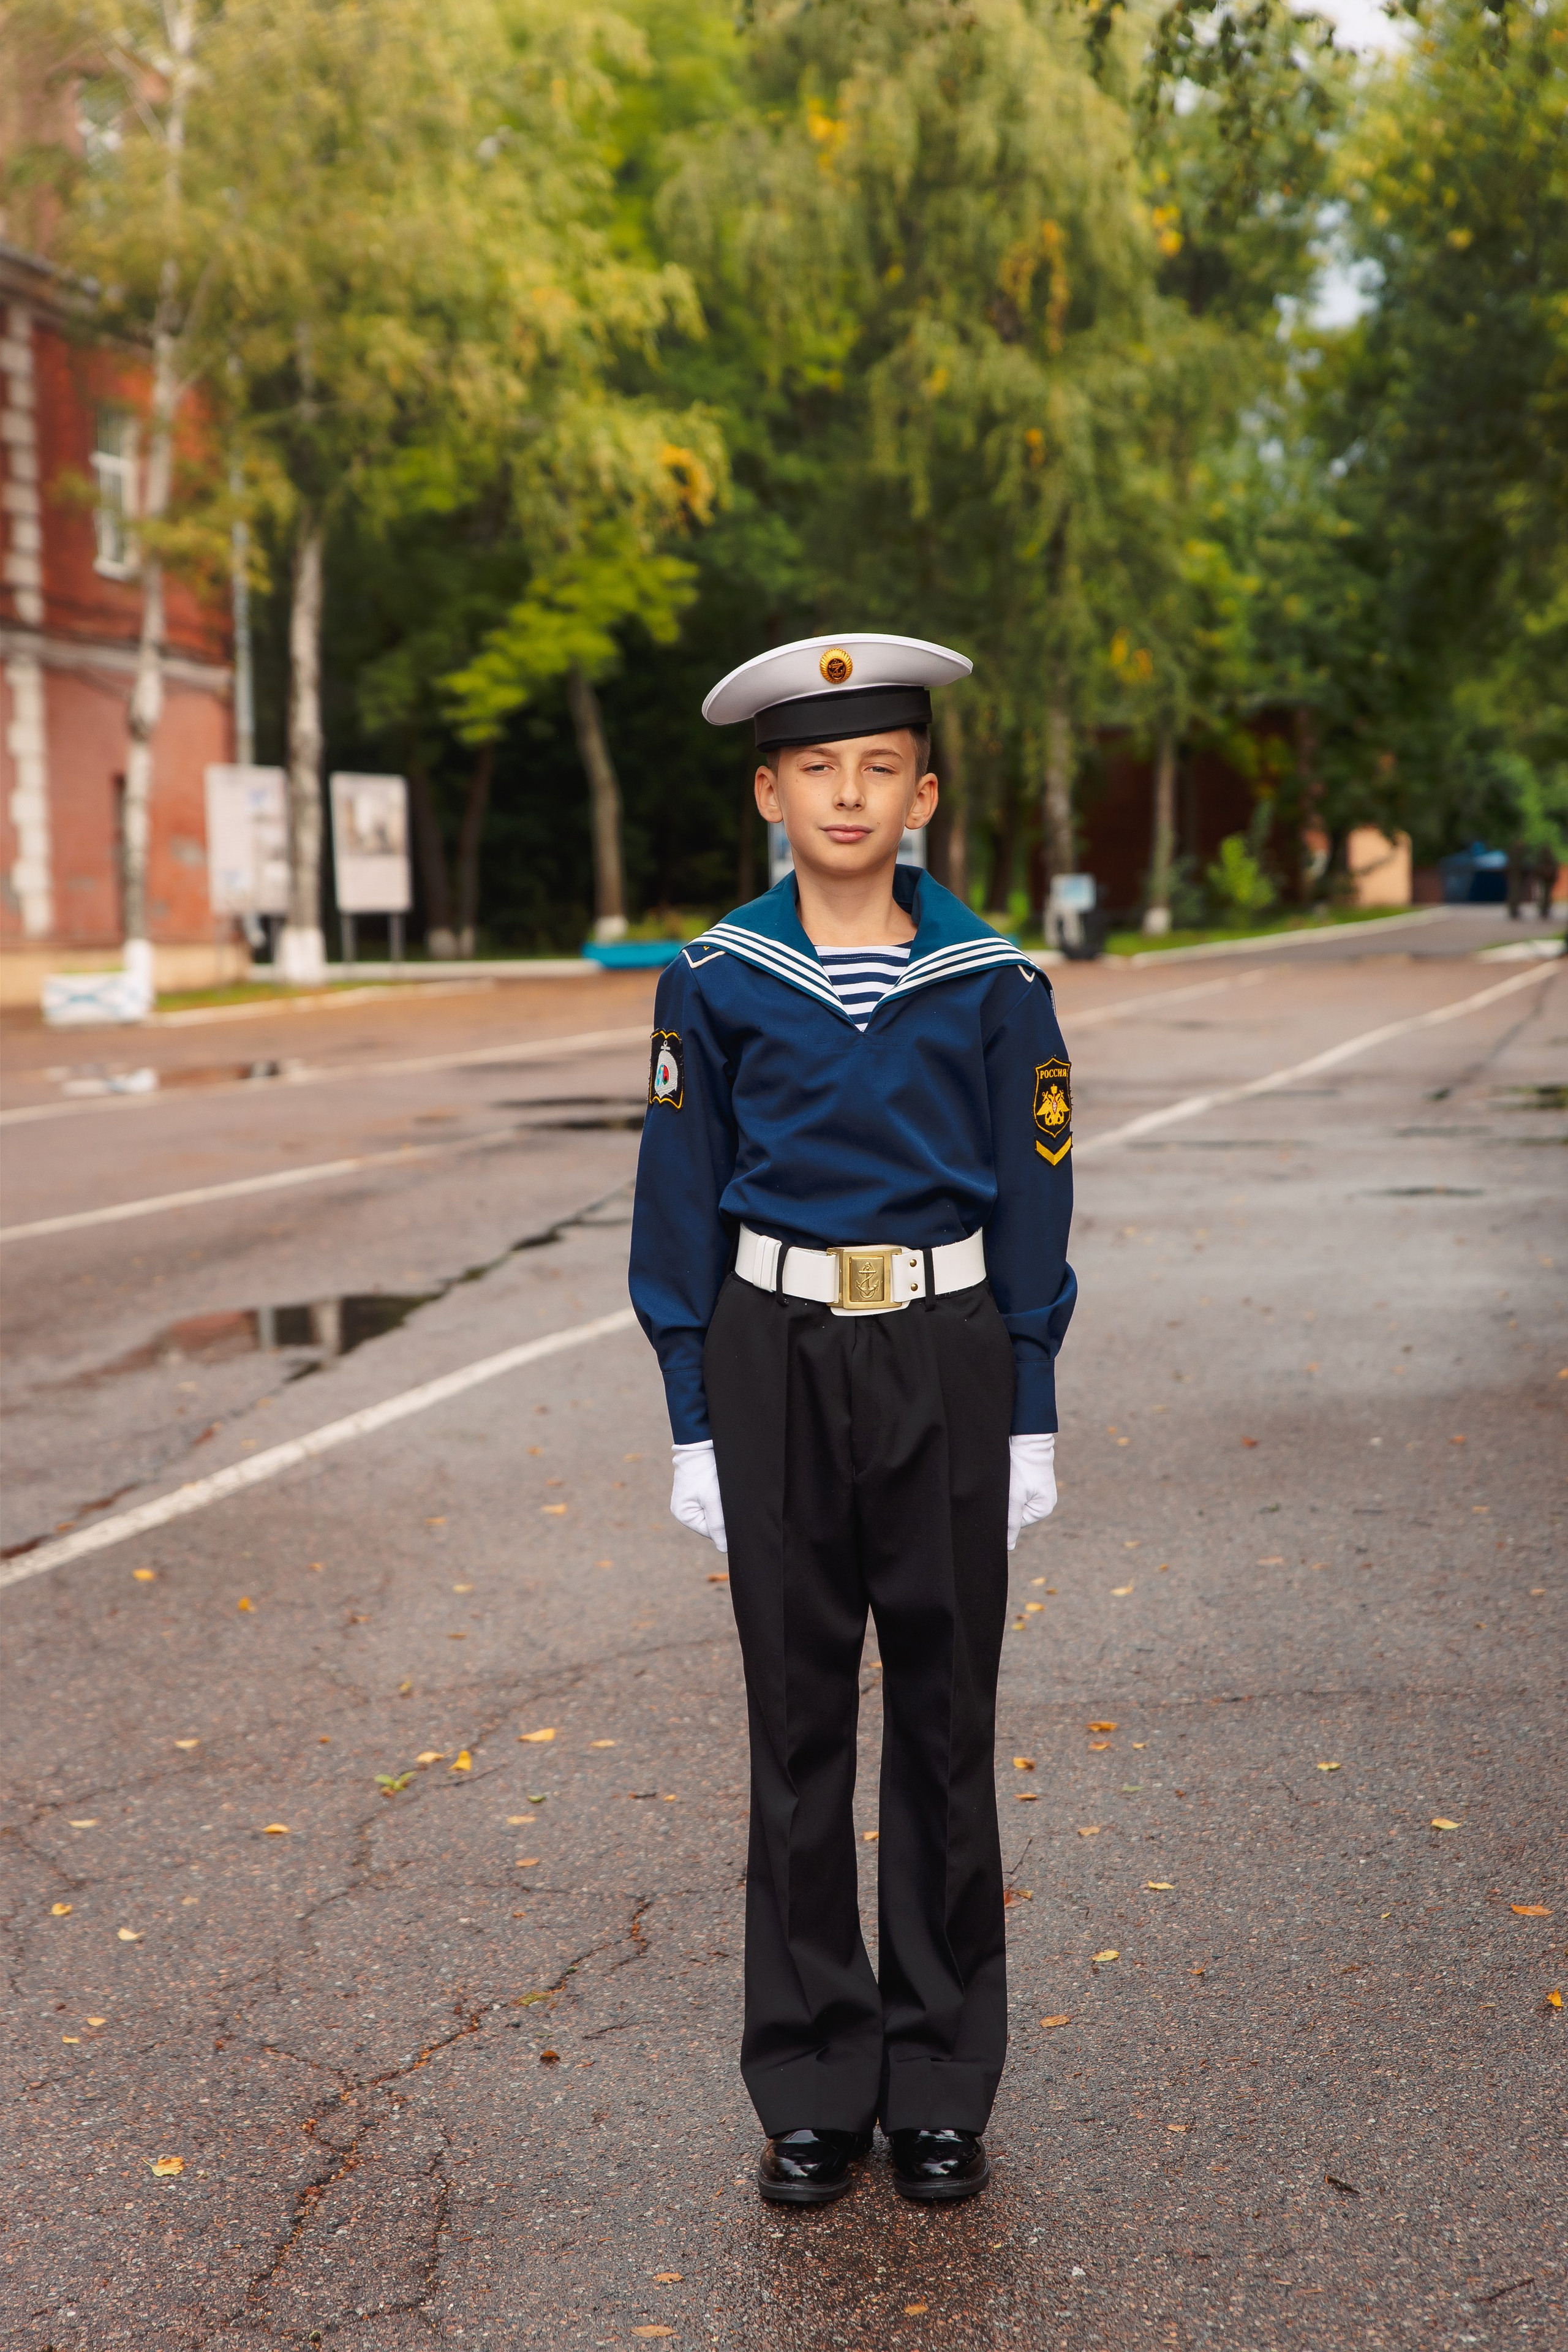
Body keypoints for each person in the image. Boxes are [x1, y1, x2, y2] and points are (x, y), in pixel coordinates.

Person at [628, 633, 1076, 2206]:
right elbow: (674, 1209)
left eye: (877, 766)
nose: (847, 792)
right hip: (773, 1352)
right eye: (816, 767)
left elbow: (1037, 1202)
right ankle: (814, 2077)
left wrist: (1025, 1405)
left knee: (946, 1721)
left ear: (923, 795)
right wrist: (694, 1416)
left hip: (945, 1348)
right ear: (769, 791)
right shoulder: (715, 976)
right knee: (798, 1721)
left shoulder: (994, 982)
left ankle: (941, 2073)